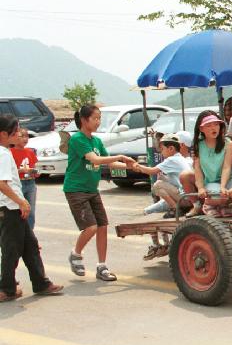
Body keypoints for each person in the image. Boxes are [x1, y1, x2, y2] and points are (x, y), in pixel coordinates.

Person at [64, 105, 137, 282]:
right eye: (95, 118)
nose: (98, 122)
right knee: (91, 227)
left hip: (91, 189)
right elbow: (96, 160)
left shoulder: (96, 141)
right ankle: (75, 254)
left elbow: (109, 163)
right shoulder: (77, 139)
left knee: (102, 226)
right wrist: (119, 157)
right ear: (84, 120)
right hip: (76, 189)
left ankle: (101, 266)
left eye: (99, 118)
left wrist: (134, 166)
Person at [0, 115, 63, 301]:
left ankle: (41, 283)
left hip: (12, 207)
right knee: (11, 249)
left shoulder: (4, 152)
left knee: (30, 246)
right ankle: (6, 289)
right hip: (10, 207)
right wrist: (21, 202)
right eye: (16, 130)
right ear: (4, 134)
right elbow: (2, 183)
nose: (19, 133)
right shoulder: (3, 153)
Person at [131, 133, 194, 259]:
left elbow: (151, 171)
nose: (161, 152)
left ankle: (174, 210)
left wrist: (136, 166)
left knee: (157, 185)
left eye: (163, 149)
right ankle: (163, 244)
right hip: (184, 197)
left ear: (171, 148)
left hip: (181, 199)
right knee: (149, 210)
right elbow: (176, 182)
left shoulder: (172, 160)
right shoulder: (183, 159)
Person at [182, 110, 232, 219]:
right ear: (201, 129)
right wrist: (200, 188)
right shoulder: (198, 145)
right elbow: (197, 168)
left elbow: (227, 167)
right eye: (208, 125)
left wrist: (223, 186)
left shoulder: (229, 144)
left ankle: (222, 207)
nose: (213, 128)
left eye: (216, 124)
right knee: (218, 197)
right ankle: (208, 205)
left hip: (228, 179)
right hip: (211, 182)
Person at [10, 127, 39, 229]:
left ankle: (30, 234)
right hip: (18, 184)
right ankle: (19, 233)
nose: (25, 139)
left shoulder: (30, 152)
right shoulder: (10, 152)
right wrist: (22, 171)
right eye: (22, 136)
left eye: (27, 136)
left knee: (30, 211)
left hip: (30, 183)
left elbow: (34, 167)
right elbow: (10, 172)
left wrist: (35, 172)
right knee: (18, 210)